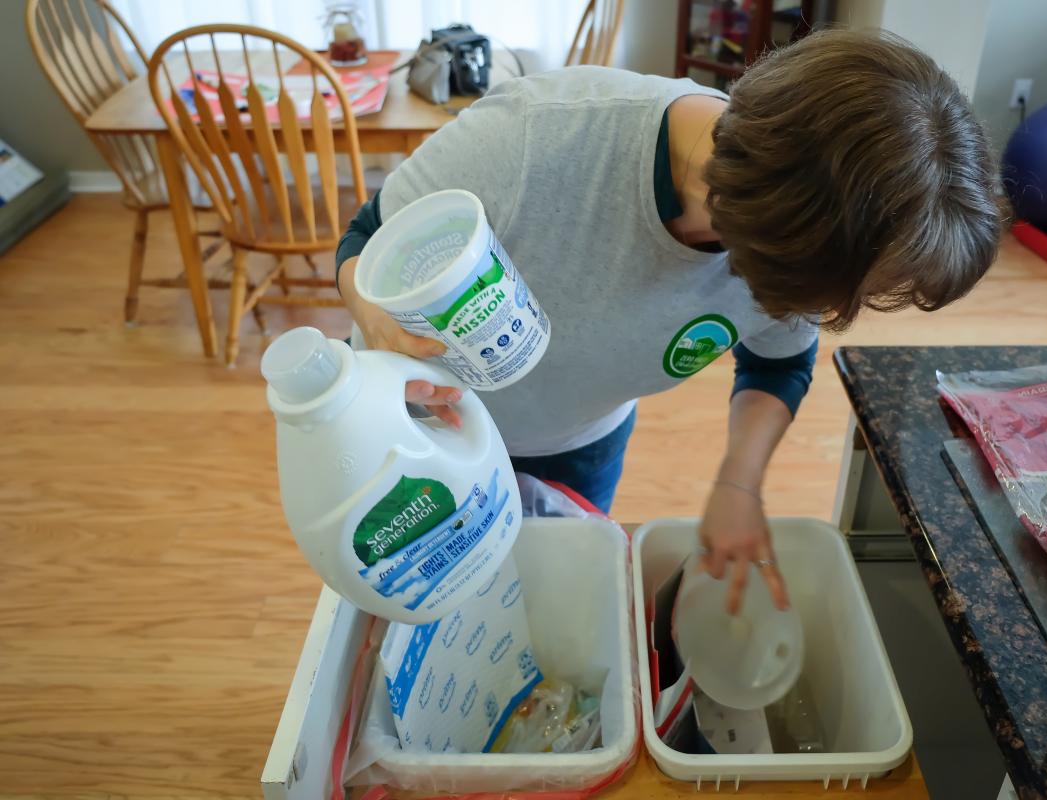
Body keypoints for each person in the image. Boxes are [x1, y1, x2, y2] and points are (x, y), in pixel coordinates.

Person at [335, 30, 1003, 614]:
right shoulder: (538, 137)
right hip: (418, 434)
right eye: (834, 294)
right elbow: (364, 237)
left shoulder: (804, 243)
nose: (827, 313)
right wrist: (377, 319)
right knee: (422, 608)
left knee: (541, 603)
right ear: (784, 236)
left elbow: (778, 359)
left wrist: (739, 482)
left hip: (578, 443)